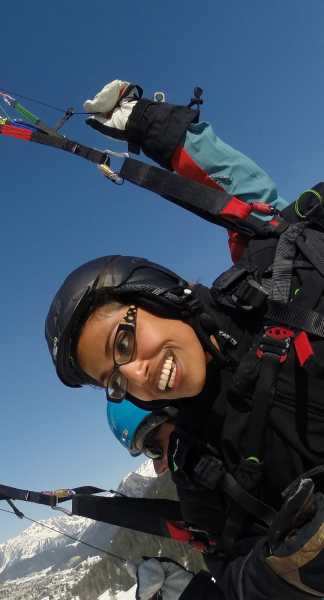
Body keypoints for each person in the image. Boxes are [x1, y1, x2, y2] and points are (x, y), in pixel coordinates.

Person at [44, 81, 324, 599]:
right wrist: (288, 571)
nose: (134, 374)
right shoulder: (205, 473)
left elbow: (244, 198)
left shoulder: (278, 286)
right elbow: (235, 573)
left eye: (123, 343)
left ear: (158, 298)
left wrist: (149, 125)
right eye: (114, 380)